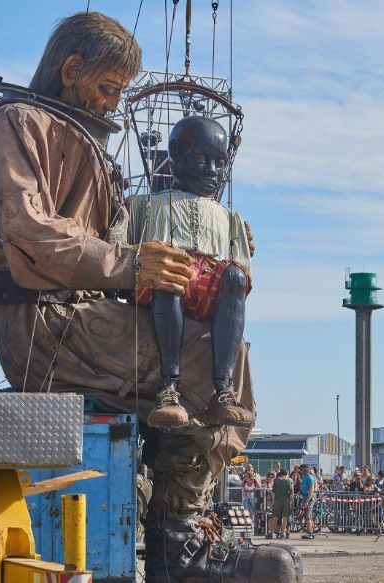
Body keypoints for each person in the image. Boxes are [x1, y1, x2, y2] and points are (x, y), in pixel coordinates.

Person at [0, 12, 293, 582]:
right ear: (71, 71)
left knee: (210, 355)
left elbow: (115, 230)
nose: (114, 103)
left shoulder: (71, 134)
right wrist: (133, 264)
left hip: (76, 315)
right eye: (109, 87)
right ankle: (177, 543)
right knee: (219, 359)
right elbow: (29, 232)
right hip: (45, 323)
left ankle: (173, 537)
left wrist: (206, 232)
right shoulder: (21, 122)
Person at [127, 115, 254, 430]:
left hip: (208, 288)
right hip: (163, 281)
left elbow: (239, 273)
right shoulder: (143, 205)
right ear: (176, 156)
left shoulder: (230, 218)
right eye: (201, 160)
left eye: (219, 163)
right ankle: (169, 386)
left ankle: (223, 388)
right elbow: (121, 248)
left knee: (235, 275)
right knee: (171, 271)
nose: (211, 171)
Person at [267, 468, 293, 540]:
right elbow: (291, 493)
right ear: (286, 474)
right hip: (286, 500)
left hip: (278, 499)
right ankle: (283, 534)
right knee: (285, 517)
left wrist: (273, 502)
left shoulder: (276, 480)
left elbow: (273, 492)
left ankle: (270, 532)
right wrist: (291, 502)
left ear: (280, 473)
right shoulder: (288, 481)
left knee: (275, 516)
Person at [299, 465, 317, 540]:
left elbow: (311, 490)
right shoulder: (305, 477)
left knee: (307, 515)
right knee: (309, 516)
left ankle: (310, 533)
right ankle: (311, 532)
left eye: (301, 470)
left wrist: (307, 501)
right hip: (305, 497)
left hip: (309, 498)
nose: (300, 471)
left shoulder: (309, 477)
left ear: (304, 470)